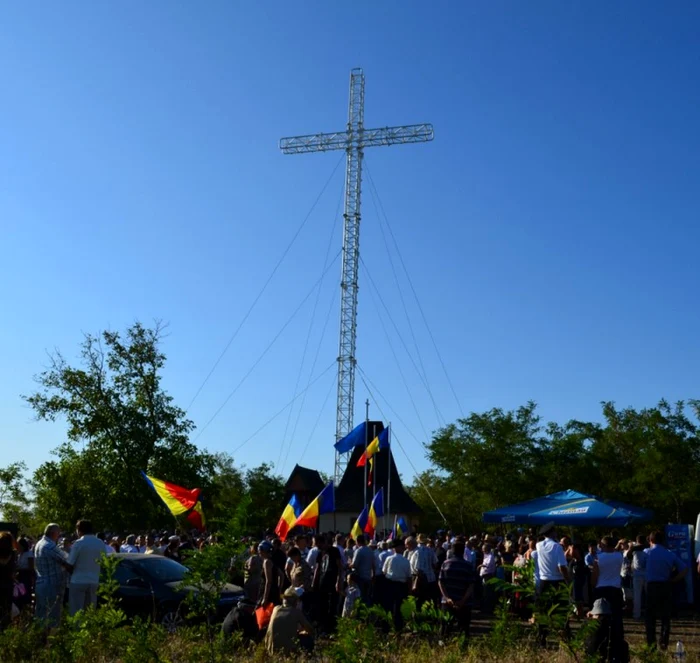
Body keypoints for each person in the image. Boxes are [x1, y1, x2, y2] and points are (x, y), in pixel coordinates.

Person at [644, 530, 687, 650]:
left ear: (651, 540)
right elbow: (684, 569)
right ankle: (663, 642)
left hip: (651, 586)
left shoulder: (646, 552)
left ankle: (651, 644)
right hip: (665, 585)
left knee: (650, 617)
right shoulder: (669, 554)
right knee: (665, 617)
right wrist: (674, 580)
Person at [535, 522, 570, 646]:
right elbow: (562, 566)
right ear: (552, 533)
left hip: (544, 581)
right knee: (561, 611)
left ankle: (541, 638)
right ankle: (565, 639)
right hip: (557, 581)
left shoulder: (538, 545)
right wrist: (568, 580)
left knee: (543, 611)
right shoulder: (557, 547)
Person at [66, 519, 104, 616]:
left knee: (76, 612)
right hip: (94, 581)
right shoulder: (100, 543)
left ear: (79, 530)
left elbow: (70, 564)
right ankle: (89, 630)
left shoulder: (78, 543)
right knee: (90, 612)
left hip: (78, 581)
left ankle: (77, 630)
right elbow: (104, 561)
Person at [34, 523, 69, 628]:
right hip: (51, 585)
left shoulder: (39, 543)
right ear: (54, 533)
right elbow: (67, 559)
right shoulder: (49, 546)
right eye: (58, 533)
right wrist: (68, 549)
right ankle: (50, 642)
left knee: (41, 616)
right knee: (52, 617)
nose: (59, 535)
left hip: (41, 583)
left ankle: (40, 640)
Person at [438, 540, 475, 636]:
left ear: (452, 551)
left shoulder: (445, 564)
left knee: (445, 629)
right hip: (464, 603)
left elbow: (441, 582)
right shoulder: (468, 566)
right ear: (463, 552)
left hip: (447, 602)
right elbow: (471, 585)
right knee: (463, 630)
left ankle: (443, 648)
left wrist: (447, 598)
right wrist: (463, 600)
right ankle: (462, 649)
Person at [592, 536, 624, 645]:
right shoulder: (619, 556)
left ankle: (600, 639)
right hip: (615, 589)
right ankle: (617, 639)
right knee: (617, 617)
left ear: (604, 545)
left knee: (601, 616)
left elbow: (595, 575)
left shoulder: (598, 558)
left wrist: (593, 586)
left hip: (601, 588)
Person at [264, 586, 314, 656]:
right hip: (287, 652)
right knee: (308, 640)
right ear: (295, 601)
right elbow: (310, 629)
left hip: (270, 649)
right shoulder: (296, 612)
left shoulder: (275, 609)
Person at [314, 535, 343, 634]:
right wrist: (314, 584)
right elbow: (317, 569)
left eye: (318, 544)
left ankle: (332, 628)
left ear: (322, 542)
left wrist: (338, 581)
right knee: (323, 607)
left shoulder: (334, 551)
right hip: (322, 584)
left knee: (332, 606)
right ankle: (324, 628)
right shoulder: (319, 553)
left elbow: (340, 567)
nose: (317, 546)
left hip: (332, 583)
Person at [383, 539, 412, 629]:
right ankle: (398, 626)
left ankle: (387, 625)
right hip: (401, 585)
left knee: (389, 605)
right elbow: (409, 576)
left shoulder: (389, 559)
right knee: (399, 606)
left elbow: (384, 571)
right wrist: (409, 588)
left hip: (390, 584)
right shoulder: (406, 561)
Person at [627, 535, 647, 621]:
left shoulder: (634, 549)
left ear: (637, 541)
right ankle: (649, 613)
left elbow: (628, 556)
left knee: (637, 595)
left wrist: (631, 547)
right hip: (647, 574)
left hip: (637, 575)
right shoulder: (648, 548)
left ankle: (636, 614)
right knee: (648, 595)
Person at [350, 534, 374, 603]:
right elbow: (373, 564)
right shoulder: (370, 550)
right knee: (367, 597)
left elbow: (354, 565)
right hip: (368, 577)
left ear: (357, 541)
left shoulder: (359, 551)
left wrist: (349, 564)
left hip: (360, 577)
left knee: (360, 597)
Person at [258, 540, 283, 607]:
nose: (259, 552)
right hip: (274, 592)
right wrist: (279, 589)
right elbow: (281, 575)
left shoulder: (267, 562)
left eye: (260, 550)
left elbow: (268, 581)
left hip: (269, 594)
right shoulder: (271, 560)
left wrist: (265, 599)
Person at [0, 532, 17, 629]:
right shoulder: (13, 554)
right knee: (6, 610)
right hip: (8, 586)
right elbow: (13, 573)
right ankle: (5, 630)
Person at [16, 537, 35, 608]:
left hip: (26, 577)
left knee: (26, 595)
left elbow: (31, 567)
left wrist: (20, 569)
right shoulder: (20, 554)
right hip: (19, 577)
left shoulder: (29, 554)